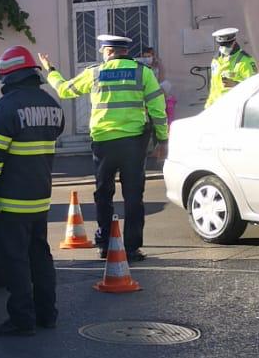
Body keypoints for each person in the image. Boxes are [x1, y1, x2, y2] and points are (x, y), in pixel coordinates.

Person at [41, 32, 167, 262]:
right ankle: (131, 248)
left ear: (108, 51)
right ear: (125, 51)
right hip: (133, 143)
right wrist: (163, 140)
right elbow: (158, 109)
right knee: (133, 197)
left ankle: (105, 245)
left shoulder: (95, 72)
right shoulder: (143, 72)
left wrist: (51, 71)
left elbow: (65, 90)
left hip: (103, 143)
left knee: (104, 194)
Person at [0, 45, 65, 337]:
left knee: (15, 261)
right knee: (40, 256)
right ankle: (47, 314)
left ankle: (22, 319)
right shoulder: (52, 105)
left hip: (11, 202)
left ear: (10, 77)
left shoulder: (6, 108)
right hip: (40, 198)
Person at [205, 27, 257, 106]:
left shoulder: (245, 60)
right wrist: (208, 106)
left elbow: (255, 87)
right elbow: (213, 87)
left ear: (234, 42)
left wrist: (235, 84)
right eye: (222, 45)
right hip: (216, 108)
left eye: (227, 45)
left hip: (235, 108)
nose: (224, 48)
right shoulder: (216, 60)